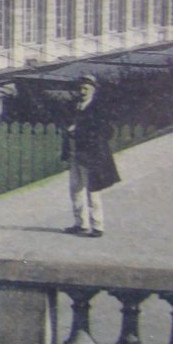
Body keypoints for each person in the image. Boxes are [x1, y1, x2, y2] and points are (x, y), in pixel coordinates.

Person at [62, 73, 120, 238]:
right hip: (75, 153)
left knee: (92, 191)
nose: (83, 91)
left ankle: (97, 226)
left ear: (94, 90)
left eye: (86, 88)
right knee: (75, 189)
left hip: (91, 155)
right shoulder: (74, 106)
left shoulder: (99, 108)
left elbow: (107, 131)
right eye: (80, 88)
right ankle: (80, 223)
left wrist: (79, 130)